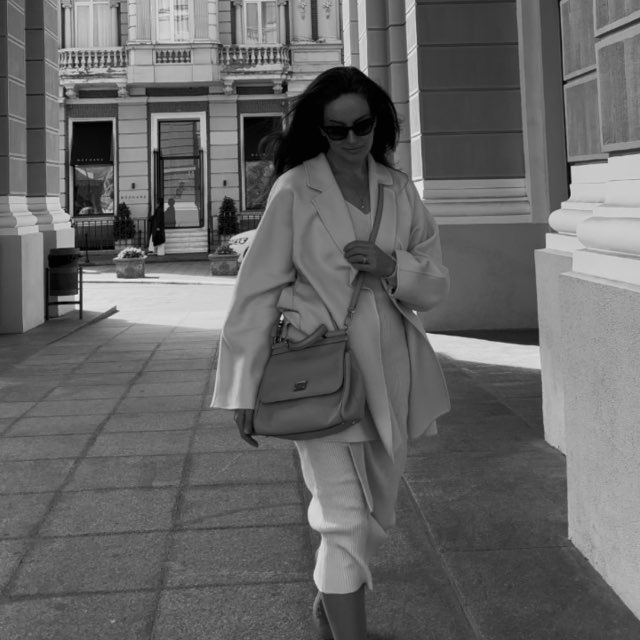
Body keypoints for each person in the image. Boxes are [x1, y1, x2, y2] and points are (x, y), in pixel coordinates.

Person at [211, 66, 450, 640]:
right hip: (317, 371)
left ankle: (331, 595)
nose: (351, 139)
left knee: (377, 512)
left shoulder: (399, 189)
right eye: (337, 130)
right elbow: (257, 291)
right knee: (343, 516)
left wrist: (393, 267)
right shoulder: (296, 189)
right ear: (319, 131)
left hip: (391, 369)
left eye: (362, 126)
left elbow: (436, 279)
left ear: (377, 124)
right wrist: (243, 387)